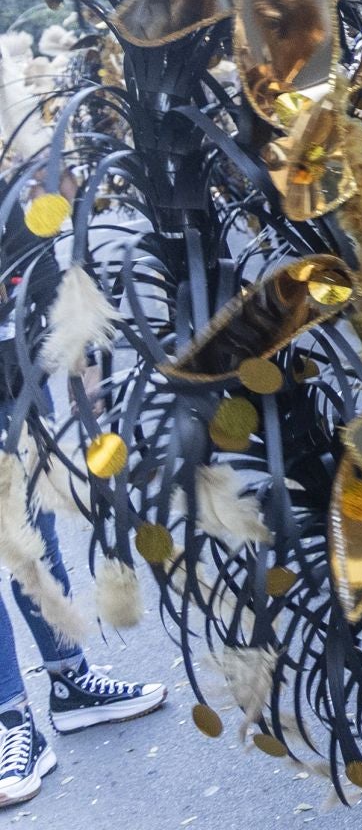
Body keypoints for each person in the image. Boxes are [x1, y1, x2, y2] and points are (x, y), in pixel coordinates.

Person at [0, 174, 167, 809]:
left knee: (34, 544)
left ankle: (70, 687)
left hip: (12, 394)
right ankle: (13, 722)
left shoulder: (5, 193)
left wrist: (86, 369)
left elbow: (41, 277)